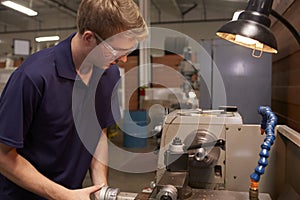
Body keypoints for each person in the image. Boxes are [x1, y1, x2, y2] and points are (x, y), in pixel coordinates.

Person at [0, 0, 147, 199]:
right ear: (89, 38)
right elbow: (3, 156)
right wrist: (62, 195)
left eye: (127, 52)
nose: (123, 60)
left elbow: (99, 132)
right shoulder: (33, 77)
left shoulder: (109, 73)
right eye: (116, 51)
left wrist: (100, 188)